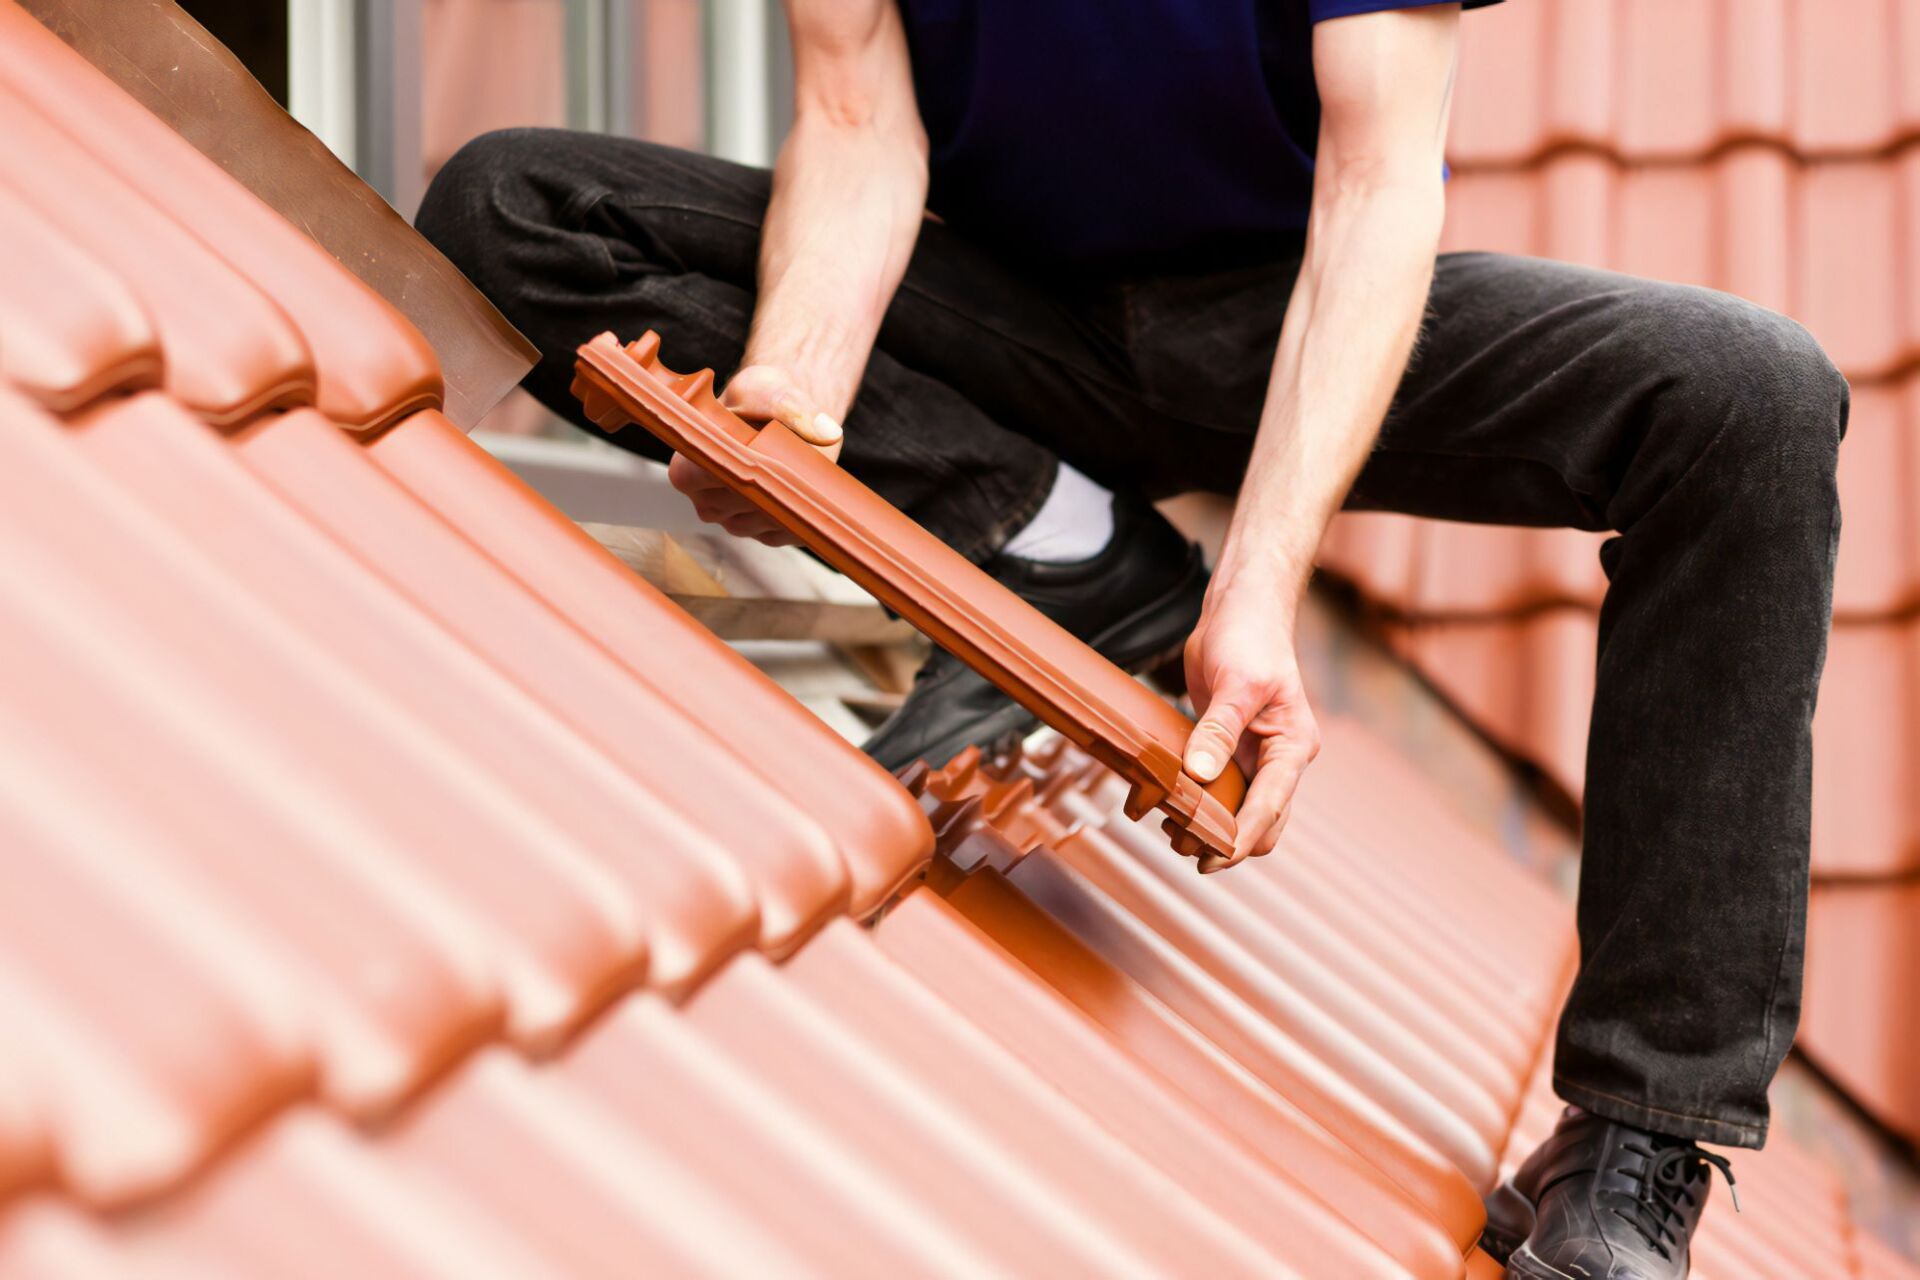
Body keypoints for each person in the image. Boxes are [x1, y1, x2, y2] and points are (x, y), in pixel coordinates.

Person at [416, 2, 1846, 1274]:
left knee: (1752, 400)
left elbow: (1375, 194)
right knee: (516, 203)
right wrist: (794, 392)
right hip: (1003, 307)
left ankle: (1638, 1135)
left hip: (1277, 315)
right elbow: (855, 122)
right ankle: (1065, 543)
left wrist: (1258, 593)